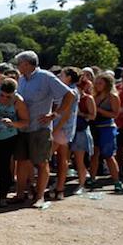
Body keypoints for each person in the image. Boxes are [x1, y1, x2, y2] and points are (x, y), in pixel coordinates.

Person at [14, 51, 75, 207]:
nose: (17, 66)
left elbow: (69, 95)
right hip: (23, 128)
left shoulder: (46, 77)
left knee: (41, 163)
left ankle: (40, 196)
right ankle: (20, 194)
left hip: (40, 128)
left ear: (27, 64)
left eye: (19, 63)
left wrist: (54, 114)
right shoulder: (21, 80)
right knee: (21, 161)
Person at [0, 78, 30, 206]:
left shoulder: (18, 101)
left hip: (8, 138)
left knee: (4, 167)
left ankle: (3, 196)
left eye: (8, 96)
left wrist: (13, 123)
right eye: (2, 95)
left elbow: (25, 121)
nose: (4, 98)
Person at [49, 67, 81, 200]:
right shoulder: (74, 90)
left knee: (46, 156)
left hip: (61, 128)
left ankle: (44, 187)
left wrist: (55, 130)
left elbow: (66, 114)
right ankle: (60, 189)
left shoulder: (69, 92)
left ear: (68, 77)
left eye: (62, 75)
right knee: (63, 159)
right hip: (67, 129)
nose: (59, 77)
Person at [89, 72, 122, 191]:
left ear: (107, 84)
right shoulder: (94, 96)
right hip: (94, 127)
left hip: (107, 127)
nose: (97, 85)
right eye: (96, 83)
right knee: (94, 154)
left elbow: (115, 114)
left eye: (100, 83)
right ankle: (92, 178)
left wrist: (99, 110)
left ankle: (117, 181)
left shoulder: (113, 97)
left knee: (108, 155)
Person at [70, 70, 97, 195]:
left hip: (81, 131)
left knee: (80, 160)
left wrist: (80, 113)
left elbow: (92, 116)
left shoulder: (88, 99)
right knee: (66, 158)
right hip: (70, 130)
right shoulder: (69, 97)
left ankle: (81, 184)